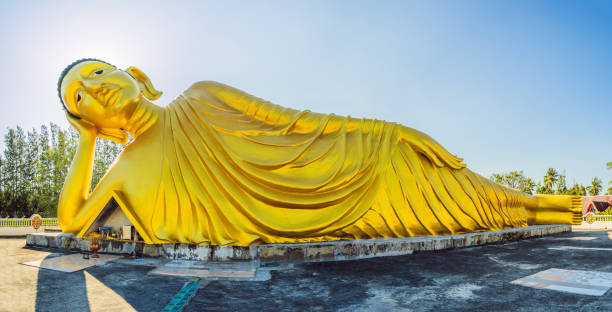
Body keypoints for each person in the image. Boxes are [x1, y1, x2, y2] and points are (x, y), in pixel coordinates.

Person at [57, 59, 581, 246]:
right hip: (348, 218)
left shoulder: (202, 95)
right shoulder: (125, 168)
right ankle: (550, 208)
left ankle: (553, 206)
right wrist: (85, 144)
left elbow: (295, 121)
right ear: (89, 122)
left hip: (354, 164)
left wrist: (392, 129)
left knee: (471, 190)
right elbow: (71, 220)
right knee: (460, 218)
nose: (95, 86)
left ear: (134, 74)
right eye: (79, 95)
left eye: (98, 70)